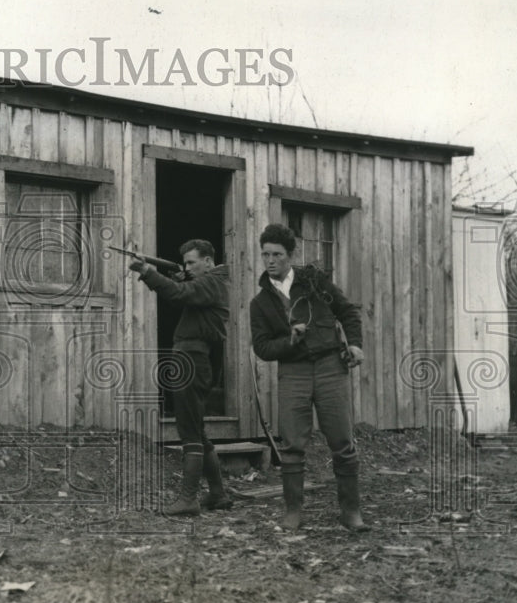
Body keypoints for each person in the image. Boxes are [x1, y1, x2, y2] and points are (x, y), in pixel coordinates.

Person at [249, 223, 369, 532]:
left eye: (277, 254)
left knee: (342, 441)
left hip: (331, 368)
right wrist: (289, 340)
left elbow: (348, 312)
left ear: (291, 255)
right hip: (294, 373)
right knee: (292, 445)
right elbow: (262, 348)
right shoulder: (260, 303)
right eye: (265, 255)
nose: (270, 260)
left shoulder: (315, 282)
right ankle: (293, 512)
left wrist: (354, 344)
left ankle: (351, 512)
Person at [129, 239, 232, 516]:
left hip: (192, 360)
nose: (186, 267)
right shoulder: (211, 283)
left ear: (208, 262)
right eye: (184, 263)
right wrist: (171, 276)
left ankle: (188, 500)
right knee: (197, 429)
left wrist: (148, 272)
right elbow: (182, 290)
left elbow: (177, 294)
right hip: (194, 360)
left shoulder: (212, 283)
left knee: (188, 430)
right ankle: (218, 494)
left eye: (191, 263)